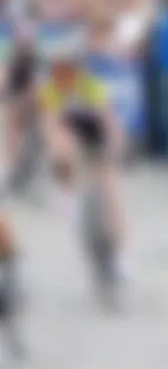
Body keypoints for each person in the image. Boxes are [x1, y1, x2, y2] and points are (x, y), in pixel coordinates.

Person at [35, 29, 132, 288]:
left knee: (110, 189)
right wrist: (59, 154)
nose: (63, 73)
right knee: (61, 149)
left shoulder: (90, 85)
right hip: (70, 130)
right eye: (58, 67)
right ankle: (67, 194)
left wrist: (117, 146)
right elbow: (51, 125)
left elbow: (109, 121)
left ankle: (120, 257)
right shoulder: (50, 88)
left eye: (67, 67)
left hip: (94, 132)